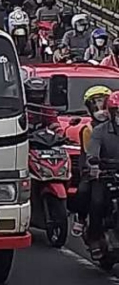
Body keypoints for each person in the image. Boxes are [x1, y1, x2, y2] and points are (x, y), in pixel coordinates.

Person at [71, 86, 112, 238]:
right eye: (95, 104)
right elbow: (91, 152)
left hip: (114, 169)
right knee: (88, 194)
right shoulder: (89, 129)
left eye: (103, 104)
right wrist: (94, 167)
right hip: (95, 171)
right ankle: (81, 219)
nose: (100, 110)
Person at [83, 90, 119, 259]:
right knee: (96, 202)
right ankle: (94, 238)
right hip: (105, 174)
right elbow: (92, 153)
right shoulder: (99, 131)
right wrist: (94, 164)